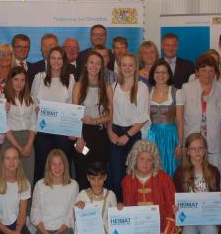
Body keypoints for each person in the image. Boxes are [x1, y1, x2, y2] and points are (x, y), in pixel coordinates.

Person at [120, 140, 184, 234]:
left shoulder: (164, 178)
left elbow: (171, 207)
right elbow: (129, 209)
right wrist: (139, 233)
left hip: (162, 228)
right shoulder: (127, 181)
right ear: (135, 159)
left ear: (154, 162)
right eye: (142, 159)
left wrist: (165, 233)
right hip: (139, 228)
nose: (145, 163)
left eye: (149, 160)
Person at [65, 162, 127, 234]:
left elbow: (115, 216)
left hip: (105, 233)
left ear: (105, 177)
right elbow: (75, 217)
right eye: (93, 179)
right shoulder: (83, 194)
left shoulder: (110, 195)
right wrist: (78, 208)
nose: (96, 182)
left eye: (100, 178)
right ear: (88, 178)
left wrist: (119, 208)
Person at [178, 54, 221, 174]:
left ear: (216, 72)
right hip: (192, 145)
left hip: (215, 145)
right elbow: (180, 120)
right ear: (196, 71)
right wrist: (180, 144)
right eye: (203, 70)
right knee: (191, 178)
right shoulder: (186, 88)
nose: (207, 74)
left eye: (211, 70)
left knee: (215, 179)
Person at [31, 46, 76, 182]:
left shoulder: (71, 79)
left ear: (64, 61)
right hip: (43, 131)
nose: (56, 61)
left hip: (63, 133)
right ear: (48, 60)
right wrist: (36, 109)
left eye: (59, 58)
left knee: (63, 166)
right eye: (53, 58)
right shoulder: (39, 78)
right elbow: (32, 101)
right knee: (43, 166)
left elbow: (74, 106)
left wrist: (73, 130)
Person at [173, 133, 221, 234]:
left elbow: (217, 197)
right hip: (187, 219)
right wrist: (175, 207)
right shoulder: (180, 172)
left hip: (206, 217)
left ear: (205, 150)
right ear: (188, 151)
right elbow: (175, 196)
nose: (197, 152)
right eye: (193, 149)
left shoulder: (214, 171)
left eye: (200, 148)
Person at [107, 53, 148, 201]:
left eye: (131, 65)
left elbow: (143, 116)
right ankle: (118, 205)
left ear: (136, 67)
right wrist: (110, 132)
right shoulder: (113, 87)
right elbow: (108, 113)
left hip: (133, 134)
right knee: (116, 174)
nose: (127, 68)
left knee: (133, 174)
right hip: (115, 133)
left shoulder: (142, 88)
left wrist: (128, 135)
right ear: (119, 67)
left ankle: (133, 207)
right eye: (124, 65)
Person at [72, 51, 113, 189]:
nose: (94, 66)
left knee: (99, 172)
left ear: (102, 66)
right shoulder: (78, 86)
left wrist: (94, 121)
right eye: (91, 62)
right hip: (82, 135)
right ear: (85, 64)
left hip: (100, 136)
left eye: (98, 63)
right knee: (83, 170)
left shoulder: (106, 88)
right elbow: (75, 115)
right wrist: (79, 139)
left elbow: (110, 115)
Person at [31, 149, 79, 234]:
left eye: (60, 164)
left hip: (64, 228)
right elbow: (35, 213)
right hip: (44, 229)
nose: (57, 168)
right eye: (54, 164)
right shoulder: (40, 185)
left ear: (65, 165)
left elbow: (70, 215)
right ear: (49, 166)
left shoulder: (73, 185)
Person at [147, 60, 182, 176]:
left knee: (170, 168)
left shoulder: (177, 93)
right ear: (153, 74)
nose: (160, 75)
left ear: (169, 74)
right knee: (152, 169)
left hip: (170, 136)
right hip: (152, 136)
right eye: (157, 72)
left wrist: (180, 144)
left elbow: (180, 121)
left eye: (164, 72)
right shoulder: (147, 92)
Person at [3, 66, 37, 182]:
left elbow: (34, 123)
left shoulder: (31, 98)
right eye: (16, 79)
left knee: (27, 177)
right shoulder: (3, 98)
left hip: (28, 140)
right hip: (11, 140)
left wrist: (29, 144)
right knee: (10, 178)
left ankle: (27, 201)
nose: (19, 83)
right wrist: (18, 146)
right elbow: (4, 125)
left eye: (22, 80)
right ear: (10, 80)